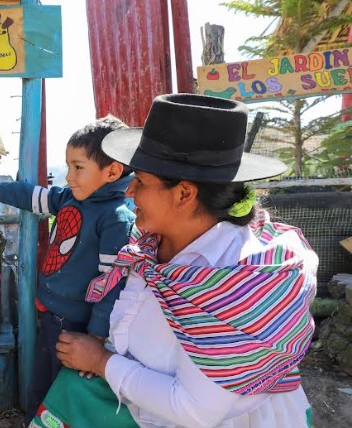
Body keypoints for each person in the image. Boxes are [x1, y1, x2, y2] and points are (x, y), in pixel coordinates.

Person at [47, 94, 316, 427]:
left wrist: (101, 362)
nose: (129, 191)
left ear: (184, 193)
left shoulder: (236, 280)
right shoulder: (151, 246)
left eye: (140, 180)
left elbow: (194, 409)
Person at [0, 116, 136, 423]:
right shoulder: (69, 198)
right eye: (68, 166)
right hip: (51, 315)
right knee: (42, 382)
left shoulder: (115, 218)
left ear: (112, 172)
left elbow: (111, 284)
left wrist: (96, 337)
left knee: (60, 391)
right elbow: (28, 195)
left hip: (76, 327)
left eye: (78, 167)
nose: (69, 176)